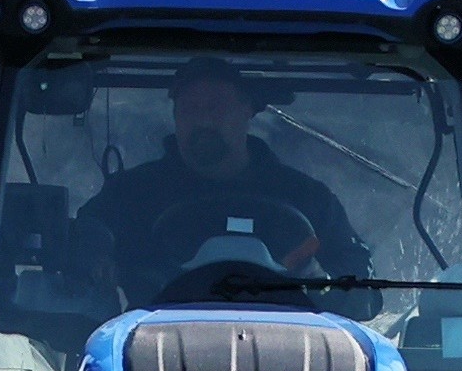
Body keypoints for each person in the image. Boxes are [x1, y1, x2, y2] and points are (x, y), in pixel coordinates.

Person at [83, 58, 368, 301]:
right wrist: (95, 258)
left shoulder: (309, 200)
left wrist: (319, 279)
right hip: (147, 350)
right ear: (176, 116)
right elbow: (79, 240)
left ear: (248, 112)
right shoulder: (131, 195)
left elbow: (362, 292)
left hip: (294, 348)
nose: (202, 120)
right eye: (190, 109)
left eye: (216, 107)